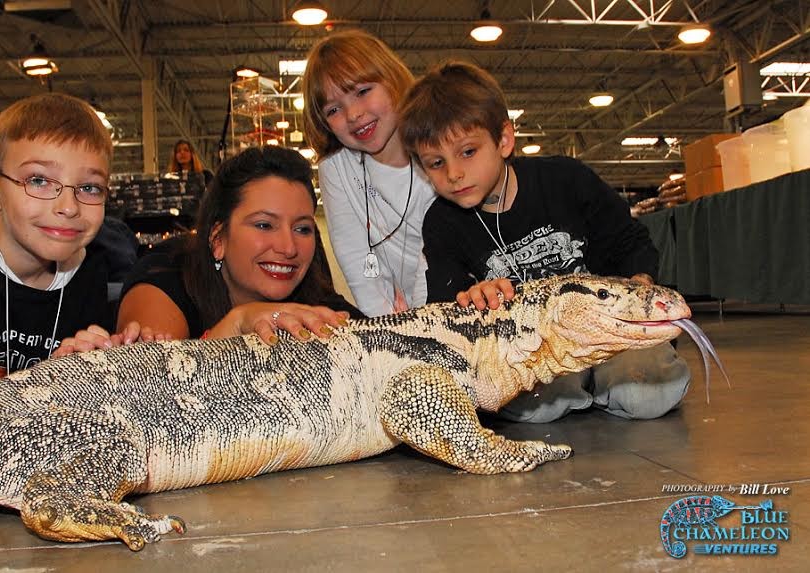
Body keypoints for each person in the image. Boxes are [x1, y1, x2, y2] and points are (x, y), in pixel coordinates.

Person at [398, 61, 690, 422]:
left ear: (504, 140)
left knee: (648, 396)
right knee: (538, 409)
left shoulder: (566, 179)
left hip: (609, 332)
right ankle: (589, 386)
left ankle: (600, 380)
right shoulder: (440, 222)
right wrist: (470, 299)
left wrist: (638, 291)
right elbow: (444, 304)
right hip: (536, 346)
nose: (453, 174)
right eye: (435, 163)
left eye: (468, 152)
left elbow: (631, 242)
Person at [0, 93, 132, 398]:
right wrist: (52, 383)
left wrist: (84, 368)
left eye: (89, 187)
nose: (68, 207)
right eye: (38, 180)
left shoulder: (90, 270)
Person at [116, 145, 362, 344]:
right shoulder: (165, 274)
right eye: (264, 225)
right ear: (218, 238)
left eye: (302, 229)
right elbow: (149, 380)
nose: (289, 248)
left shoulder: (317, 300)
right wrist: (236, 323)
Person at [301, 29, 436, 317]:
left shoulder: (436, 145)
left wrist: (422, 317)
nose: (353, 115)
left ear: (392, 80)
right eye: (333, 110)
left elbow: (439, 253)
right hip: (404, 316)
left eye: (363, 92)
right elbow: (356, 258)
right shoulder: (336, 167)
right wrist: (385, 326)